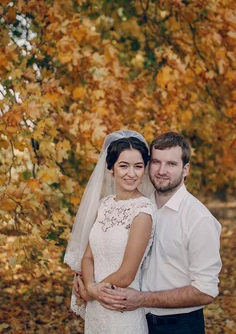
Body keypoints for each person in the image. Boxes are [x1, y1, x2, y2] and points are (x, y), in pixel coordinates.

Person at [96, 132, 222, 334]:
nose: (162, 171)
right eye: (156, 162)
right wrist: (83, 276)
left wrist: (142, 299)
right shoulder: (138, 205)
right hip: (134, 321)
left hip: (178, 326)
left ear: (185, 169)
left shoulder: (199, 219)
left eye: (171, 164)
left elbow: (206, 291)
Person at [64, 130, 156, 334]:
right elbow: (88, 257)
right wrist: (90, 286)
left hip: (121, 311)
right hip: (97, 310)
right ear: (111, 168)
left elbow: (126, 274)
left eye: (138, 166)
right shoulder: (103, 205)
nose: (131, 173)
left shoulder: (143, 211)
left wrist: (91, 291)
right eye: (124, 166)